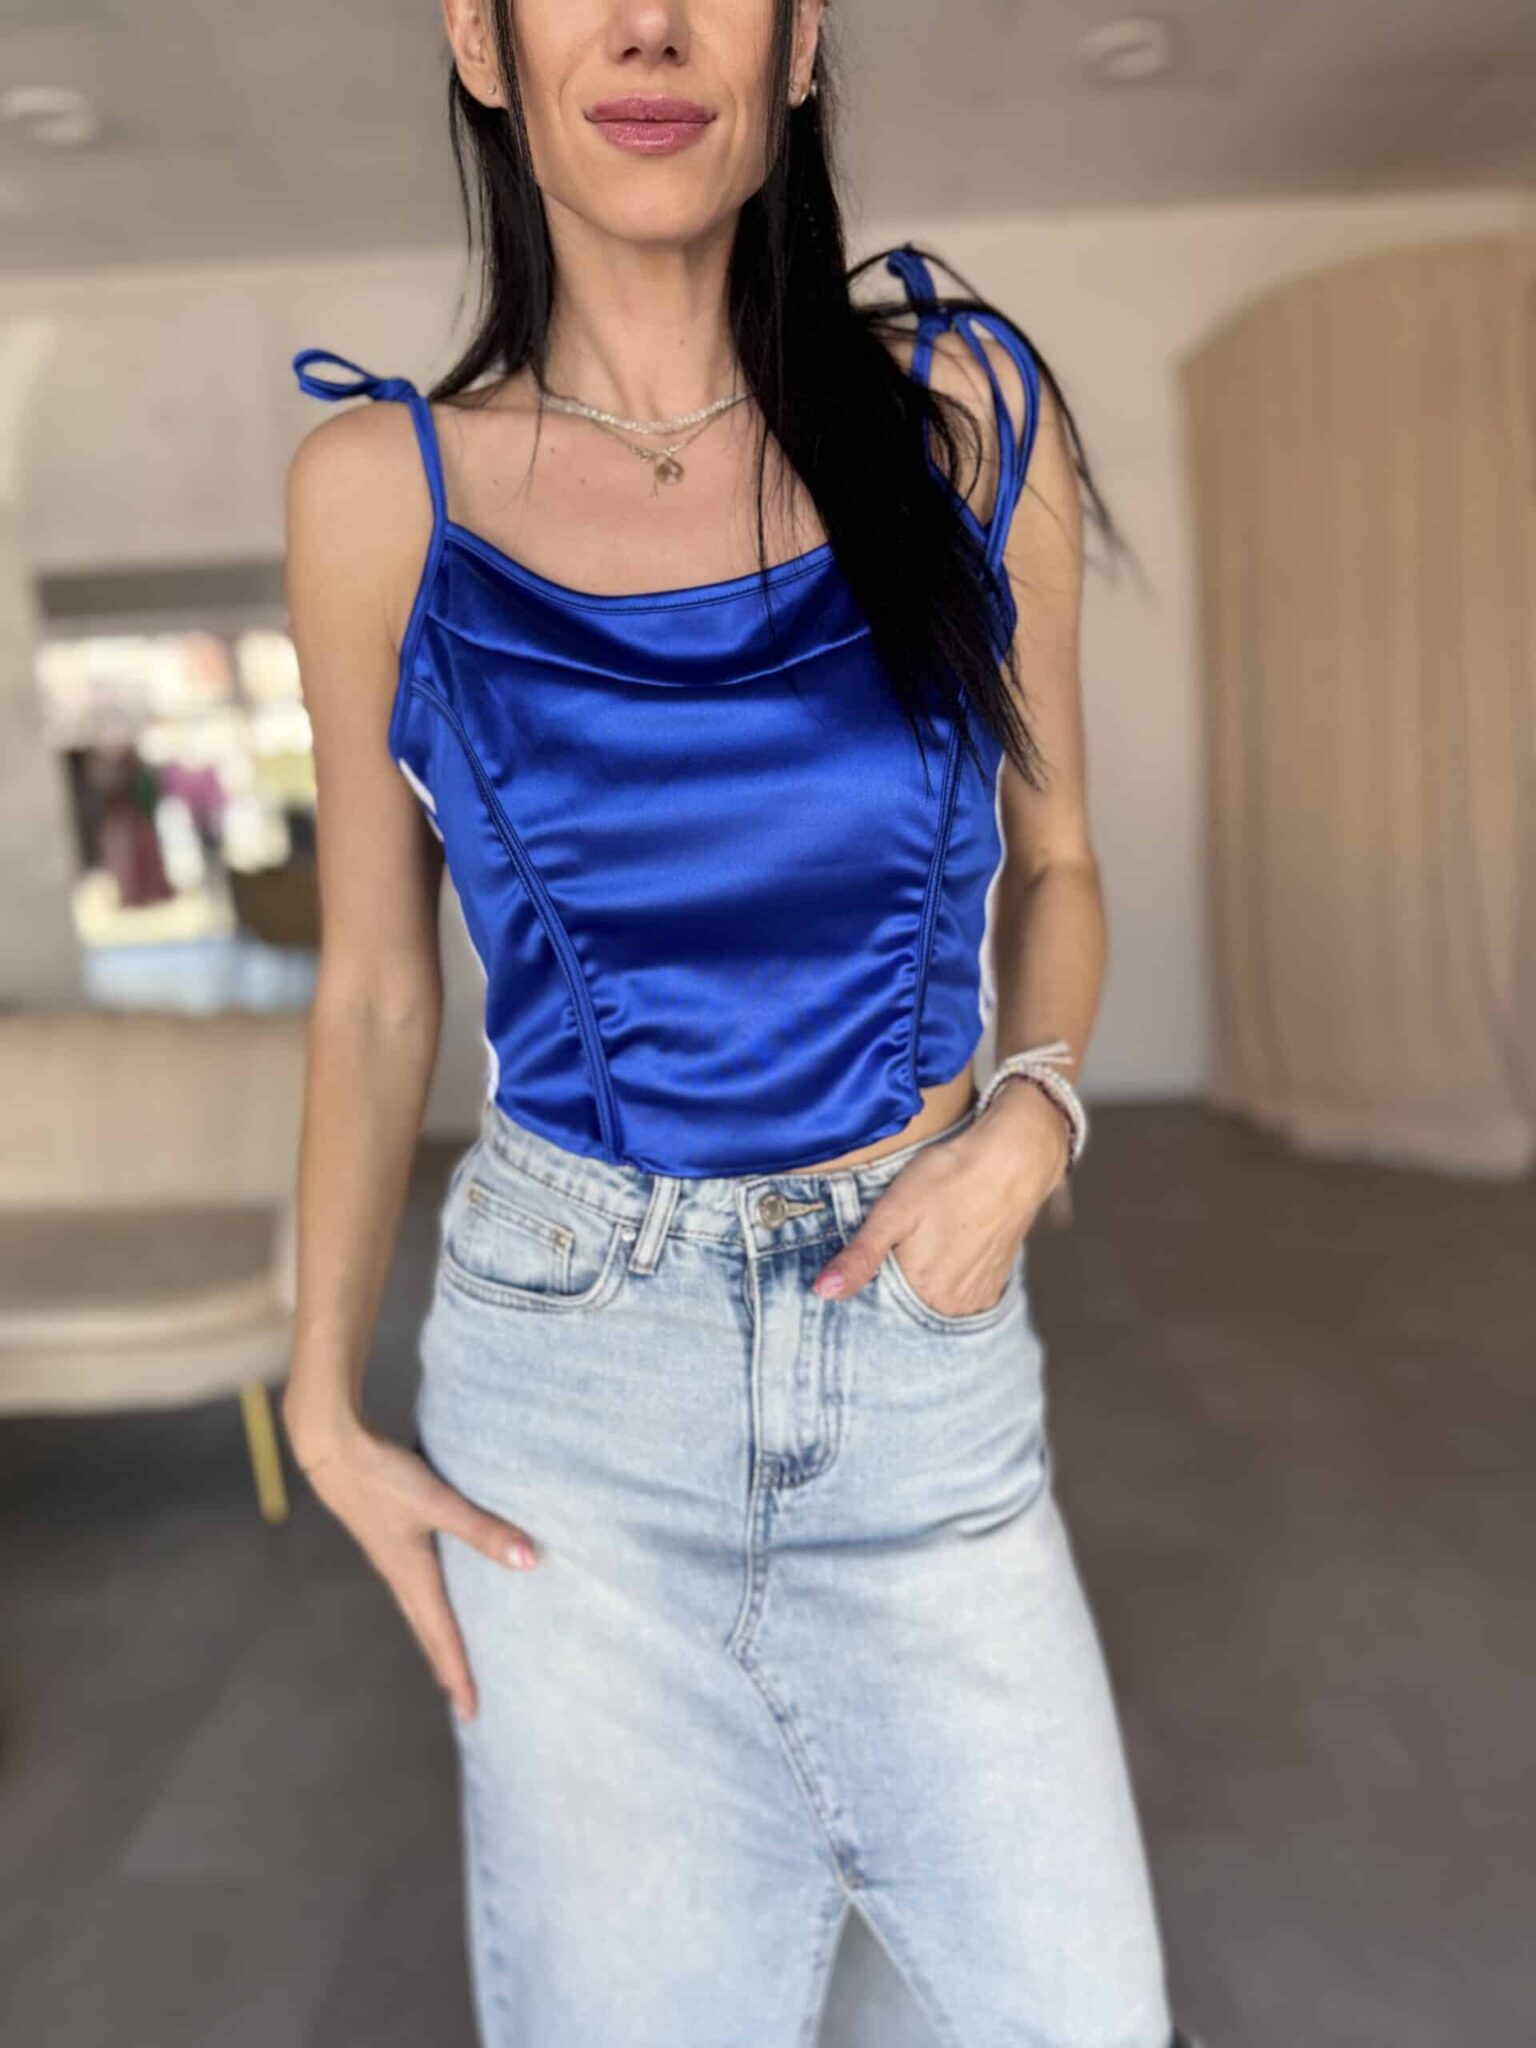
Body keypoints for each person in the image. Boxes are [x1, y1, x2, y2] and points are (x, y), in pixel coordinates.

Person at [280, 4, 1198, 2044]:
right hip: (571, 1401)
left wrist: (1034, 1119)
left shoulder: (963, 418)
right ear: (482, 41)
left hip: (920, 1357)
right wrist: (321, 1406)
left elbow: (1059, 865)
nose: (649, 25)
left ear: (796, 47)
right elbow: (375, 990)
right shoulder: (378, 489)